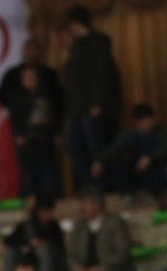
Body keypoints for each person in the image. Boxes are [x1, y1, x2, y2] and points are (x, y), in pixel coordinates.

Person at [62, 5, 121, 188]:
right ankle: (88, 186)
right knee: (76, 147)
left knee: (96, 149)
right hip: (76, 107)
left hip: (91, 106)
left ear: (78, 23)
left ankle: (102, 187)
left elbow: (102, 74)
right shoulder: (76, 47)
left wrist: (97, 102)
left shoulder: (100, 41)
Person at [55, 190, 134, 271]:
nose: (82, 208)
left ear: (97, 204)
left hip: (110, 270)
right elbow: (71, 254)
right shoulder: (79, 225)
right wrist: (77, 268)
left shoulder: (115, 222)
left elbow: (122, 251)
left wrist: (101, 268)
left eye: (85, 203)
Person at [1, 62, 63, 199]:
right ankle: (29, 198)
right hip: (28, 138)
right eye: (27, 77)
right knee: (29, 171)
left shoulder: (47, 96)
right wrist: (18, 135)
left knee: (48, 168)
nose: (30, 80)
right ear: (23, 80)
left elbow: (55, 116)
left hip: (45, 136)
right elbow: (15, 119)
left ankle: (51, 198)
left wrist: (57, 133)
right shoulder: (18, 98)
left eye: (33, 76)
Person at [93, 104, 167, 196]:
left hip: (155, 167)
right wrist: (100, 160)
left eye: (150, 119)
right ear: (137, 122)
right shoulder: (129, 134)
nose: (148, 123)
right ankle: (125, 195)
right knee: (118, 162)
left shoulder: (161, 131)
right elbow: (113, 148)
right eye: (144, 120)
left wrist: (150, 158)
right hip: (135, 169)